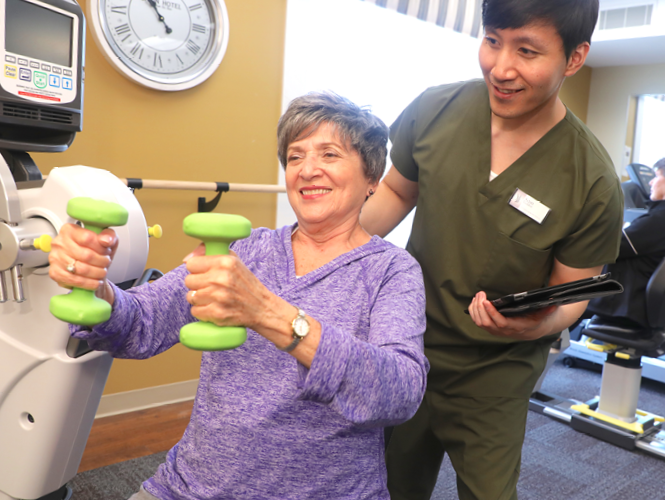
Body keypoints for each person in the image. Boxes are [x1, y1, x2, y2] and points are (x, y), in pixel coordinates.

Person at [48, 92, 429, 500]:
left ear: (372, 177)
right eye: (296, 157)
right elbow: (139, 323)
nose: (308, 170)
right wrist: (95, 289)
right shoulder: (245, 250)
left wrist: (268, 313)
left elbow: (399, 393)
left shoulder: (392, 271)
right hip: (188, 488)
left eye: (330, 154)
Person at [360, 0, 624, 498]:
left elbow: (571, 294)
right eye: (492, 40)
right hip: (405, 344)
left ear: (574, 57)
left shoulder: (591, 180)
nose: (501, 68)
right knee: (386, 484)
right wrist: (327, 250)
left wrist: (537, 322)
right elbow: (397, 192)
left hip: (495, 371)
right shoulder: (435, 110)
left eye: (527, 50)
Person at [586, 158, 665, 327]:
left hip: (625, 305)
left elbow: (612, 247)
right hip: (641, 304)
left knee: (560, 297)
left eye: (656, 176)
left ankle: (545, 343)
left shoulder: (658, 220)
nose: (650, 182)